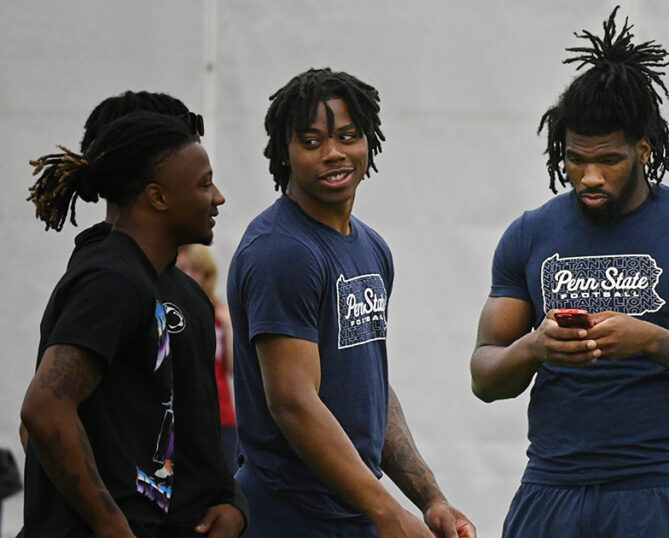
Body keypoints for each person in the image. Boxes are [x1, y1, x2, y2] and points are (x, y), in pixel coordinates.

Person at [470, 7, 669, 537]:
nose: (589, 176)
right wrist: (535, 348)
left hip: (654, 491)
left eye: (608, 160)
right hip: (551, 489)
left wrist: (652, 341)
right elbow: (484, 377)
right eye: (575, 159)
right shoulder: (529, 234)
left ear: (643, 150)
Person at [227, 68, 475, 538]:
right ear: (285, 150)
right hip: (288, 516)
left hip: (350, 514)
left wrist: (429, 499)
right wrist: (388, 513)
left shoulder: (371, 247)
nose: (334, 153)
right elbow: (294, 402)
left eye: (348, 136)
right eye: (312, 140)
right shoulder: (282, 251)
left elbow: (371, 389)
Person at [20, 111, 226, 537]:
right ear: (158, 197)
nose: (218, 197)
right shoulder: (113, 279)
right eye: (204, 184)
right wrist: (111, 525)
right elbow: (44, 409)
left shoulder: (141, 278)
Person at [177, 244, 239, 475]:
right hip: (184, 418)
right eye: (182, 269)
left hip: (221, 415)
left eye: (195, 270)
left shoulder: (220, 315)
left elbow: (233, 369)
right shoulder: (171, 314)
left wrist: (230, 327)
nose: (188, 276)